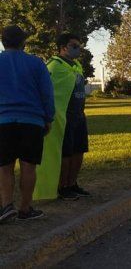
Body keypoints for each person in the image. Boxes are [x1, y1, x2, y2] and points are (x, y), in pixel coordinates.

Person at [0, 26, 54, 222]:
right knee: (28, 166)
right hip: (32, 120)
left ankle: (6, 206)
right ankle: (25, 208)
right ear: (23, 42)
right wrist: (48, 118)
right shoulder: (36, 63)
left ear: (3, 41)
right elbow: (47, 93)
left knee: (4, 167)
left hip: (3, 120)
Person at [43, 34, 90, 202]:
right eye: (74, 45)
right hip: (64, 116)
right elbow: (45, 90)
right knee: (66, 153)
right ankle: (63, 186)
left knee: (79, 150)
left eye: (79, 45)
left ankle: (72, 183)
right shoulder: (54, 66)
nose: (78, 49)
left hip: (79, 114)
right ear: (63, 47)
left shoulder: (76, 65)